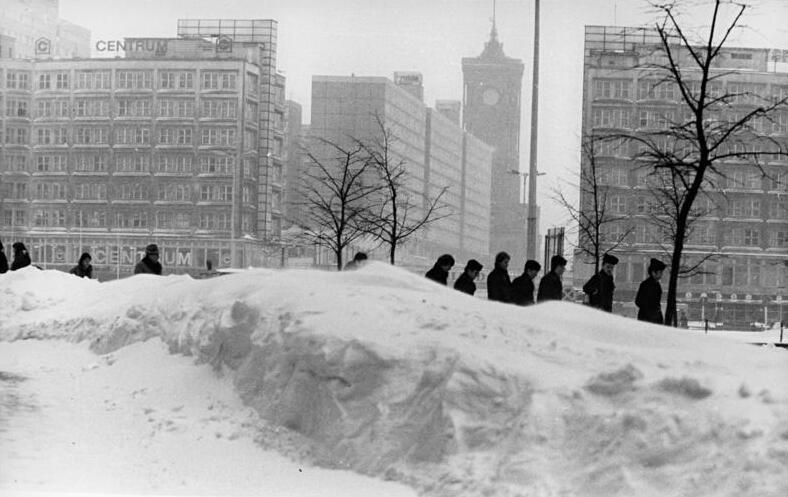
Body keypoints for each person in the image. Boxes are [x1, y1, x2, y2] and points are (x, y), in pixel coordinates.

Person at [635, 258, 666, 324]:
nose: (661, 274)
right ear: (653, 273)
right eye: (660, 272)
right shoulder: (646, 285)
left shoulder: (657, 284)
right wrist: (650, 312)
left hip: (653, 318)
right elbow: (638, 301)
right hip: (647, 319)